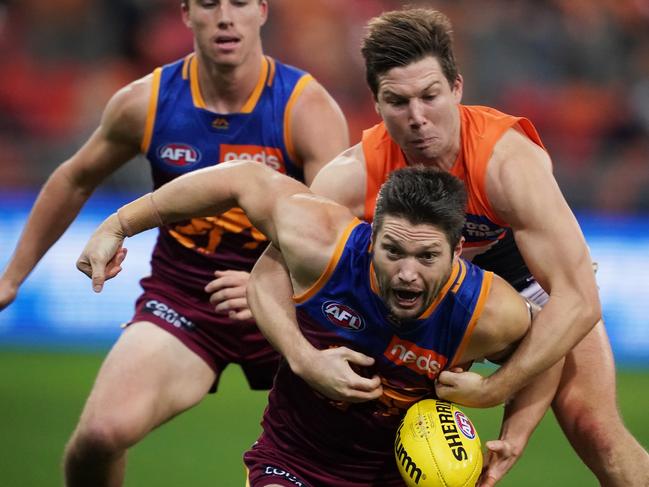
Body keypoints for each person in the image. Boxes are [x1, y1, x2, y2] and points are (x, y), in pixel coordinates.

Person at [246, 7, 649, 487]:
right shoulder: (353, 174)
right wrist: (303, 356)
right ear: (375, 103)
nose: (417, 118)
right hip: (417, 293)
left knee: (597, 430)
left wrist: (497, 392)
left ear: (457, 88)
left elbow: (577, 298)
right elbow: (270, 270)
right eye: (398, 101)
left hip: (522, 280)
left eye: (430, 96)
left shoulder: (507, 163)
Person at [0, 1, 348, 485]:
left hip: (294, 308)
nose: (225, 17)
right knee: (98, 437)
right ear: (186, 14)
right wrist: (11, 278)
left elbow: (340, 231)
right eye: (209, 4)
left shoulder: (305, 108)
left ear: (262, 11)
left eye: (240, 3)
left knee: (354, 455)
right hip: (185, 300)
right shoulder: (147, 102)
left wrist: (273, 285)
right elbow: (74, 179)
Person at [76, 161, 563, 486]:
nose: (407, 272)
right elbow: (240, 179)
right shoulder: (324, 245)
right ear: (370, 237)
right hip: (293, 463)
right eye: (392, 250)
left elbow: (553, 347)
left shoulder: (488, 311)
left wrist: (503, 405)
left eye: (428, 256)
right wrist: (117, 225)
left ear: (458, 252)